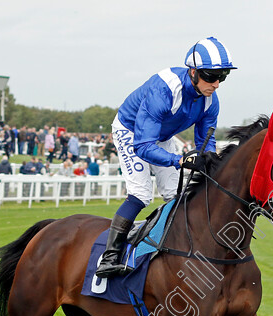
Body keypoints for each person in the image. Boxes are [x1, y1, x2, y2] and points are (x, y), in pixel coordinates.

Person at [95, 36, 236, 278]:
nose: (217, 83)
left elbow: (206, 141)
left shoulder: (210, 101)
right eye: (211, 76)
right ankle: (109, 256)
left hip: (161, 135)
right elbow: (143, 146)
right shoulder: (164, 90)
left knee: (177, 196)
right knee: (141, 194)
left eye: (222, 76)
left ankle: (171, 249)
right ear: (193, 72)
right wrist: (180, 161)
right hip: (132, 133)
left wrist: (210, 160)